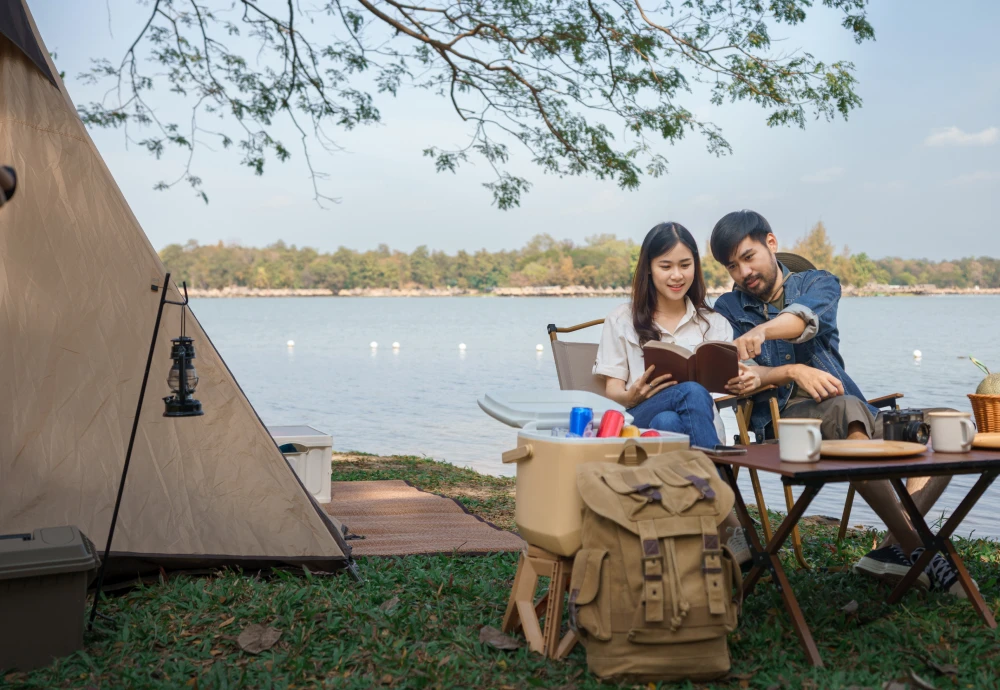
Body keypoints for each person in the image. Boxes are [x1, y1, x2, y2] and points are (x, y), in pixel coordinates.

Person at [709, 209, 964, 596]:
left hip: (852, 409)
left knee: (948, 421)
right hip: (784, 425)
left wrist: (762, 333)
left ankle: (891, 548)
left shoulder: (819, 283)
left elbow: (802, 320)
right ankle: (920, 551)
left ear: (771, 244)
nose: (743, 272)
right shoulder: (727, 310)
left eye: (748, 257)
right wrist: (790, 373)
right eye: (732, 266)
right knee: (847, 411)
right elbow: (740, 378)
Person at [593, 221, 760, 564]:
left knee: (679, 410)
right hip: (638, 428)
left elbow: (729, 388)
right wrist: (633, 395)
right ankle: (726, 516)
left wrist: (740, 382)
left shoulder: (714, 323)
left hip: (697, 429)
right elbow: (611, 392)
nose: (676, 275)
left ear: (696, 267)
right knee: (687, 393)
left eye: (685, 265)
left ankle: (701, 523)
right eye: (665, 266)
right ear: (649, 269)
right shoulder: (622, 320)